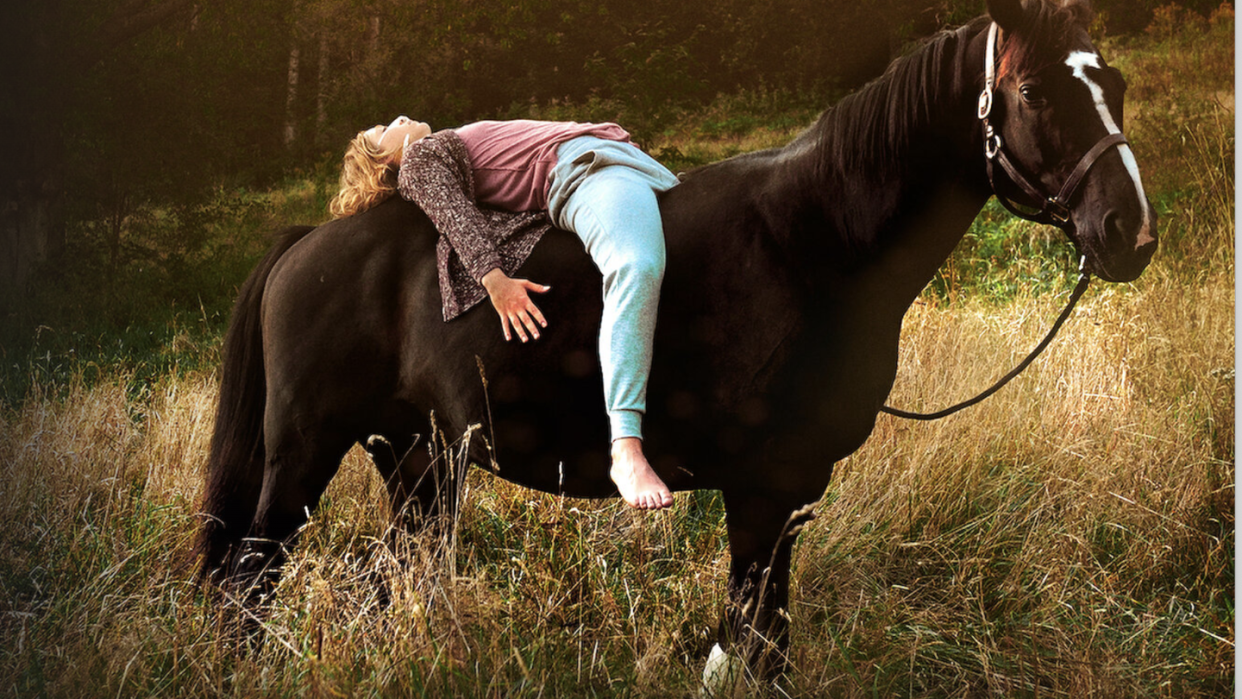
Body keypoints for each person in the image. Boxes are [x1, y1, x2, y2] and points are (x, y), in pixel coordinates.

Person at [330, 116, 679, 510]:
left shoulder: (443, 147)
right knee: (635, 265)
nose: (398, 119)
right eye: (382, 129)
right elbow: (455, 216)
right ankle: (626, 447)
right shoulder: (418, 159)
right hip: (588, 172)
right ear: (385, 160)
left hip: (629, 163)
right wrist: (495, 281)